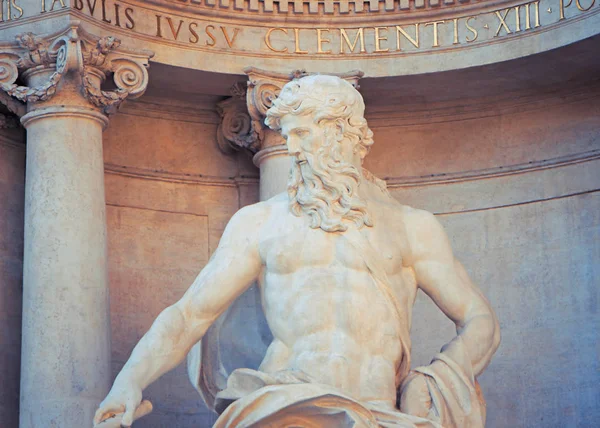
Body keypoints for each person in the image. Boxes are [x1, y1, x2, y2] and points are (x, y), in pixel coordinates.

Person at [94, 74, 500, 428]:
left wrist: (438, 377)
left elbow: (480, 320)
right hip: (284, 405)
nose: (295, 150)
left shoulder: (412, 227)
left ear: (341, 132)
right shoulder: (260, 223)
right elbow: (188, 316)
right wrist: (129, 380)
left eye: (303, 133)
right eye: (288, 138)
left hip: (377, 410)